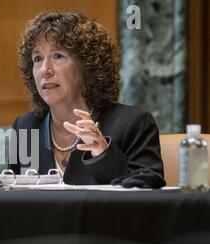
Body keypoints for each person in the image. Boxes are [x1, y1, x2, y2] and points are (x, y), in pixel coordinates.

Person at [9, 11, 164, 186]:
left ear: (87, 66)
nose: (45, 69)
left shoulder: (133, 124)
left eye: (58, 56)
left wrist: (103, 154)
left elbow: (148, 196)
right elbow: (12, 198)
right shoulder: (26, 127)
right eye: (37, 59)